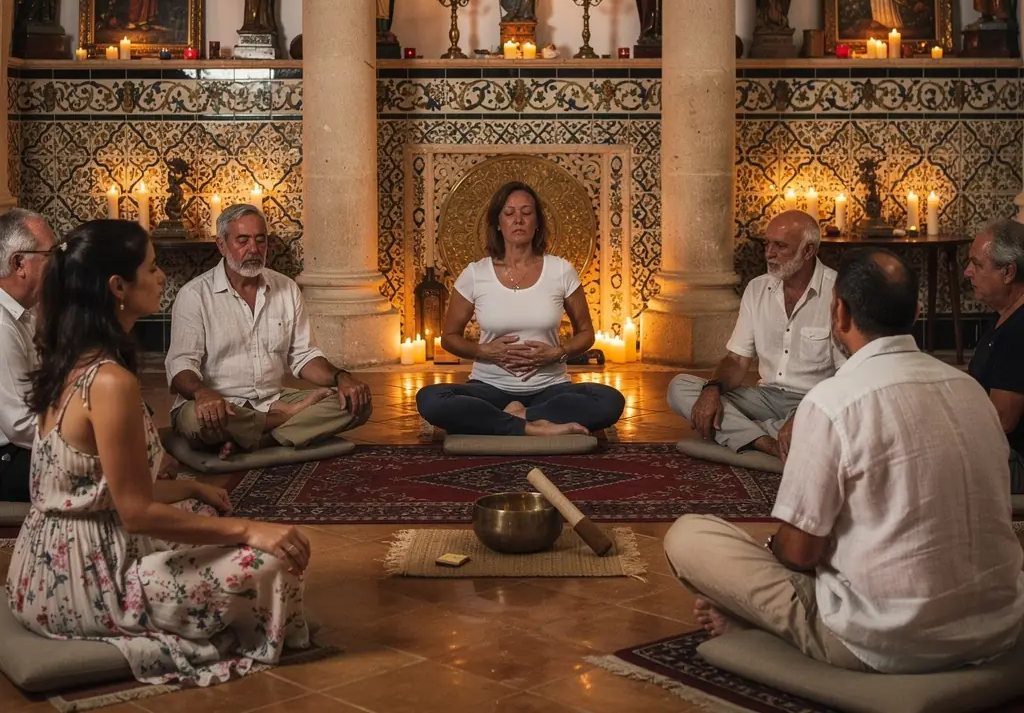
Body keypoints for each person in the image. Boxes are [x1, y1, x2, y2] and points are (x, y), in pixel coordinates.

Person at [664, 248, 1024, 673]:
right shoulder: (970, 393)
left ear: (839, 312)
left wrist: (769, 549)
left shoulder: (832, 403)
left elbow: (799, 553)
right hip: (999, 627)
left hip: (888, 640)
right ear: (917, 312)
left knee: (689, 536)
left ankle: (770, 628)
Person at [5, 220, 312, 686]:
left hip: (42, 565)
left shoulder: (72, 357)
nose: (162, 276)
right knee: (271, 560)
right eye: (151, 268)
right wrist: (252, 529)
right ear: (118, 287)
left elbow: (103, 487)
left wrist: (191, 485)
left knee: (194, 510)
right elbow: (135, 511)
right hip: (85, 581)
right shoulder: (109, 382)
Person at [416, 182, 624, 437]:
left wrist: (557, 353)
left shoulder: (561, 271)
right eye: (509, 213)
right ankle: (535, 427)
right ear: (498, 223)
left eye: (526, 213)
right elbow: (449, 337)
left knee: (610, 401)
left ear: (537, 223)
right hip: (490, 387)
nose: (518, 220)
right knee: (430, 398)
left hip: (550, 388)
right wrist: (484, 351)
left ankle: (517, 418)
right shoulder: (475, 274)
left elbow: (586, 333)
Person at [166, 204, 372, 458]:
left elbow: (304, 357)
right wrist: (202, 393)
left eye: (260, 240)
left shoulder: (286, 288)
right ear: (221, 245)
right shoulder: (194, 295)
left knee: (356, 403)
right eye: (242, 240)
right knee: (191, 419)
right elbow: (180, 366)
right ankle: (281, 423)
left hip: (274, 399)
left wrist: (342, 376)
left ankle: (261, 439)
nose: (253, 249)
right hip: (223, 406)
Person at [667, 211, 840, 460]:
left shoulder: (838, 293)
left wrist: (805, 414)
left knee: (831, 424)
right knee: (680, 388)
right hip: (766, 396)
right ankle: (766, 442)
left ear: (809, 250)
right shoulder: (757, 289)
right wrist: (712, 389)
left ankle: (745, 433)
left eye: (780, 246)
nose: (769, 253)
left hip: (815, 402)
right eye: (767, 244)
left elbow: (849, 375)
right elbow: (737, 360)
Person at [0, 209, 56, 502]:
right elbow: (20, 425)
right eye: (50, 254)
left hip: (23, 443)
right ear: (19, 263)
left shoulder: (27, 311)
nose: (57, 264)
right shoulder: (1, 325)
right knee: (103, 470)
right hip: (7, 456)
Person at [964, 219, 1024, 492]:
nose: (967, 272)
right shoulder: (1004, 318)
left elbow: (1002, 420)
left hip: (1012, 462)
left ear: (1008, 272)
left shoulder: (1018, 331)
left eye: (977, 264)